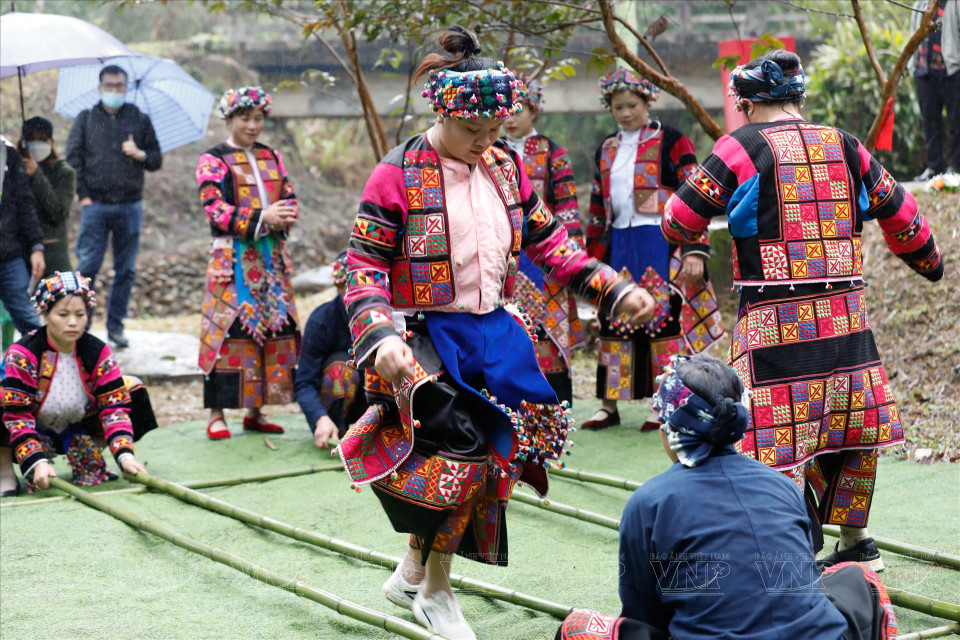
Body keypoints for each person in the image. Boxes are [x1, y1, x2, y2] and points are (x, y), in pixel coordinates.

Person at [337, 26, 654, 639]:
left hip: (493, 332)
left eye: (495, 131)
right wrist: (380, 337)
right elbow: (363, 266)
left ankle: (412, 570)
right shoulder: (397, 172)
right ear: (443, 110)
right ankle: (436, 591)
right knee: (461, 451)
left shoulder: (506, 166)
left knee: (500, 453)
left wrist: (612, 287)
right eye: (472, 132)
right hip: (422, 338)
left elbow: (549, 243)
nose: (485, 144)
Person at [662, 49, 944, 571]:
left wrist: (723, 219)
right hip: (844, 319)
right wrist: (929, 262)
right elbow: (902, 212)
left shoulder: (740, 146)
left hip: (775, 323)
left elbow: (678, 219)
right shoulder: (846, 144)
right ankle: (857, 539)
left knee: (775, 433)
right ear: (798, 100)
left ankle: (786, 543)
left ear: (745, 104)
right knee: (851, 425)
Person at [556, 353, 898, 640]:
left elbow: (646, 617)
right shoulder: (781, 486)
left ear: (668, 427)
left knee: (577, 627)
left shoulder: (648, 504)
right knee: (857, 576)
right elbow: (800, 581)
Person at [581, 68, 723, 432]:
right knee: (613, 319)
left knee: (665, 322)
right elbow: (598, 207)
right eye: (617, 107)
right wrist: (591, 260)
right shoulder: (606, 149)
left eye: (631, 105)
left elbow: (697, 195)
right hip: (620, 246)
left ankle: (666, 402)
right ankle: (608, 405)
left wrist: (694, 248)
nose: (625, 113)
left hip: (661, 242)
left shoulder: (673, 141)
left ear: (648, 102)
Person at [195, 86, 300, 441]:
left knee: (272, 330)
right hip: (232, 260)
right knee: (229, 332)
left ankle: (257, 410)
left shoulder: (272, 156)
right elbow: (214, 208)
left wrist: (283, 215)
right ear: (229, 119)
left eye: (258, 118)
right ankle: (216, 413)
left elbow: (289, 197)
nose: (252, 125)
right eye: (244, 118)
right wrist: (263, 216)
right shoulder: (213, 159)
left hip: (271, 261)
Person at [1, 272, 158, 497]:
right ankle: (4, 473)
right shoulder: (23, 353)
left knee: (132, 389)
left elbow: (114, 407)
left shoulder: (97, 351)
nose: (73, 322)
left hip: (79, 424)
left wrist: (125, 454)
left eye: (80, 314)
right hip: (31, 428)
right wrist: (36, 460)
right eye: (63, 314)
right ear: (45, 314)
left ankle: (89, 452)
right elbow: (17, 415)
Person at [66, 63, 162, 349]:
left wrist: (139, 153)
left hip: (130, 206)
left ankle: (116, 327)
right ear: (100, 87)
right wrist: (83, 196)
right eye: (109, 86)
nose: (114, 91)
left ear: (126, 87)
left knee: (126, 270)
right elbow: (73, 160)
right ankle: (83, 324)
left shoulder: (139, 119)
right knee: (88, 268)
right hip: (95, 206)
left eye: (119, 86)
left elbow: (156, 159)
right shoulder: (85, 119)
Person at [502, 73, 584, 404]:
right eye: (505, 109)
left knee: (549, 323)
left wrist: (569, 258)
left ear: (534, 110)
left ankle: (556, 400)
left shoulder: (552, 152)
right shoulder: (493, 151)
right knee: (507, 322)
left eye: (518, 108)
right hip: (504, 252)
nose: (510, 116)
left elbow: (566, 208)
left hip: (543, 252)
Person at [294, 252, 367, 448]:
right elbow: (304, 383)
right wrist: (320, 418)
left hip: (372, 398)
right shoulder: (321, 320)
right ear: (339, 286)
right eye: (349, 288)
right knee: (340, 369)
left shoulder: (386, 315)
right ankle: (336, 430)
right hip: (337, 401)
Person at [20, 116, 77, 276]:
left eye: (41, 139)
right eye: (31, 139)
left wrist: (36, 174)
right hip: (21, 254)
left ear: (51, 142)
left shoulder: (64, 172)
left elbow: (57, 211)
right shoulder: (16, 170)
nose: (36, 144)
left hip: (53, 254)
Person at [909, 0, 960, 181]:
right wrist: (911, 65)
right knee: (930, 122)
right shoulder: (920, 3)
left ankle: (954, 167)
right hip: (924, 72)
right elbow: (913, 33)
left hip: (951, 71)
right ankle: (933, 167)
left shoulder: (955, 4)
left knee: (957, 121)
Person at [0, 135, 44, 336]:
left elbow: (25, 203)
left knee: (30, 322)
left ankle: (46, 364)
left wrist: (36, 246)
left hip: (8, 254)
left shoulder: (7, 152)